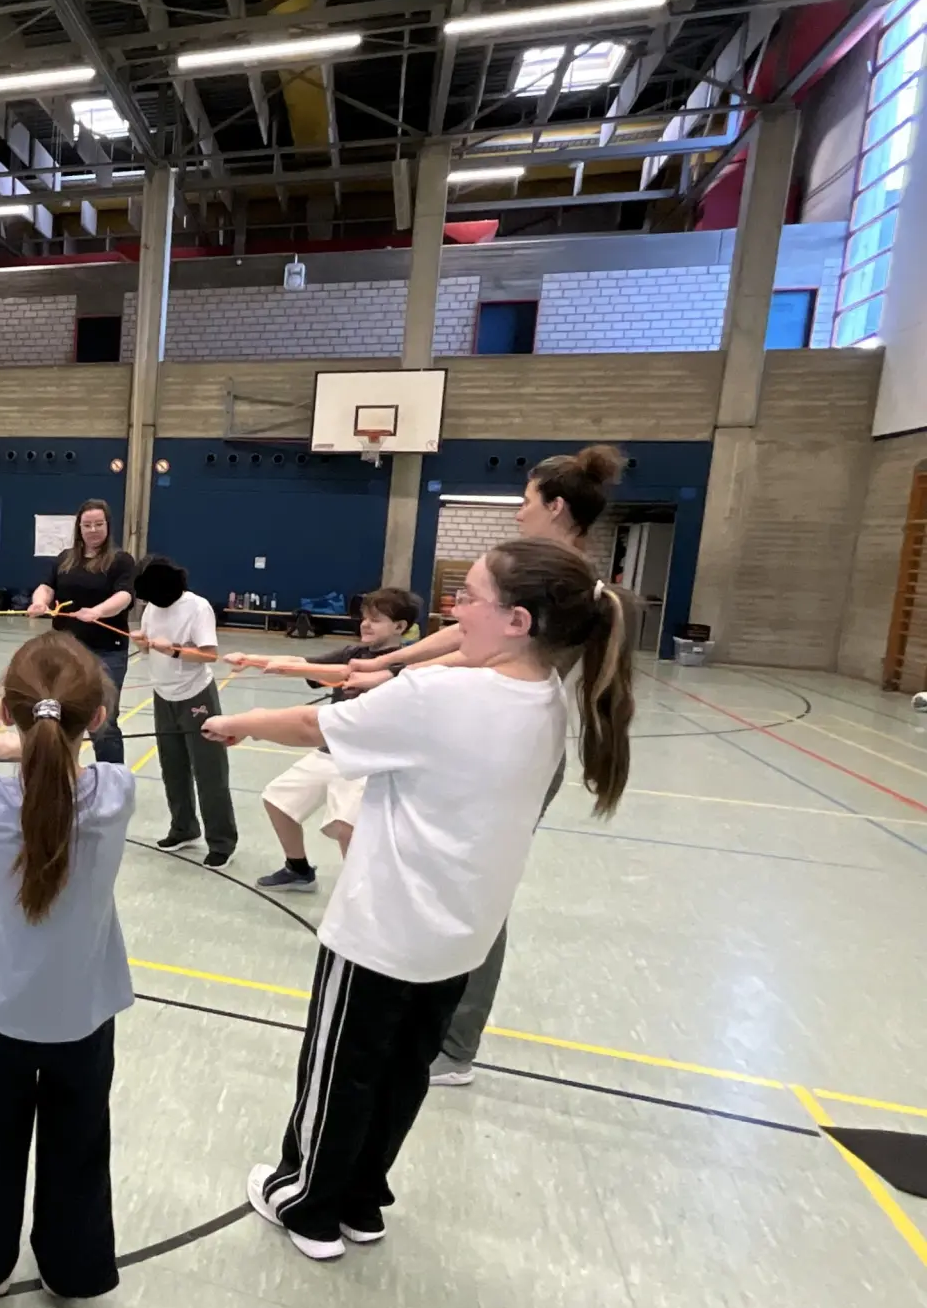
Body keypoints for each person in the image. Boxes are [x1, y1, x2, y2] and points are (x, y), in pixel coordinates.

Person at [203, 539, 633, 1262]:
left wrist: (236, 723)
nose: (454, 611)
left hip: (385, 929)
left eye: (470, 598)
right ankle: (361, 1199)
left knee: (343, 1069)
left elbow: (315, 728)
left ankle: (307, 1203)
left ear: (518, 621)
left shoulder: (442, 697)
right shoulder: (553, 699)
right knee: (402, 1073)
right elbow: (438, 672)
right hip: (461, 935)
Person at [347, 445, 625, 1086]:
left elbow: (481, 654)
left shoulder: (566, 584)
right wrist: (390, 661)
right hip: (476, 741)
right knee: (446, 877)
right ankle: (429, 1016)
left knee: (480, 891)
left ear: (557, 507)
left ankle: (456, 1043)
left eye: (527, 501)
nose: (520, 512)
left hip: (510, 749)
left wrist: (390, 675)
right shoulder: (530, 567)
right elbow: (463, 634)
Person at [0, 633, 134, 1300]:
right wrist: (34, 740)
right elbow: (73, 760)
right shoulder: (117, 793)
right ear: (97, 719)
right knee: (79, 1143)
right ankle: (74, 1267)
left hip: (2, 1011)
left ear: (5, 714)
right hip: (84, 1012)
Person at [226, 587, 421, 891]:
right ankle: (298, 869)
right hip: (329, 751)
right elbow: (300, 661)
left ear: (400, 627)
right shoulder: (353, 654)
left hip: (366, 762)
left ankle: (360, 892)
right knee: (278, 801)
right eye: (364, 618)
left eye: (376, 620)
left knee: (346, 828)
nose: (365, 624)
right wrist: (251, 658)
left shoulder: (406, 667)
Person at [128, 555, 236, 868]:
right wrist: (142, 643)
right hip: (162, 695)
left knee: (209, 770)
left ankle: (222, 841)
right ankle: (184, 828)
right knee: (172, 767)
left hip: (196, 695)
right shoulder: (151, 607)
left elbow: (209, 655)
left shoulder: (198, 607)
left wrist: (173, 650)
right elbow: (149, 647)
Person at [26, 500, 137, 763]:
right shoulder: (65, 559)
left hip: (107, 651)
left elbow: (124, 596)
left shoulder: (121, 561)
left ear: (108, 526)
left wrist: (98, 611)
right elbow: (47, 586)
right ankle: (60, 773)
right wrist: (39, 601)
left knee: (103, 719)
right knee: (60, 713)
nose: (93, 530)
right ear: (79, 528)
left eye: (98, 524)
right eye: (87, 525)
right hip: (65, 650)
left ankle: (111, 778)